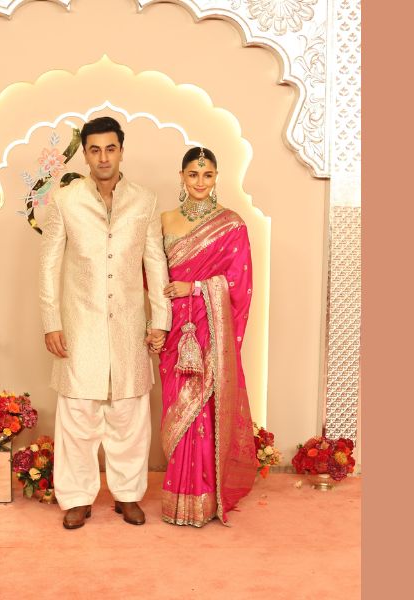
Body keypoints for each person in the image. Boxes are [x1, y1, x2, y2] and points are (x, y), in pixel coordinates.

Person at [38, 116, 171, 529]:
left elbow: (155, 262)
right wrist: (51, 321)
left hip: (129, 323)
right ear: (85, 154)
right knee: (78, 414)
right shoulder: (65, 201)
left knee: (129, 414)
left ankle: (128, 496)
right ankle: (76, 498)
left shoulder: (144, 200)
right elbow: (48, 265)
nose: (103, 158)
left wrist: (161, 319)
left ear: (121, 151)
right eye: (94, 150)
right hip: (80, 324)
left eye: (110, 149)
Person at [158, 146, 256, 527]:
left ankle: (202, 498)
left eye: (208, 175)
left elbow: (239, 285)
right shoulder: (164, 221)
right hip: (175, 333)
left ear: (216, 178)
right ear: (181, 176)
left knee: (203, 411)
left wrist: (196, 287)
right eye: (193, 174)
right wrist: (155, 324)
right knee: (177, 408)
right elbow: (152, 278)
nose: (200, 182)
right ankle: (178, 498)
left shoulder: (231, 225)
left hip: (209, 330)